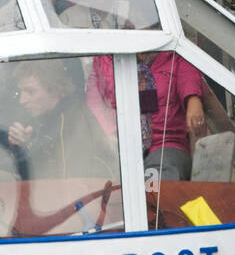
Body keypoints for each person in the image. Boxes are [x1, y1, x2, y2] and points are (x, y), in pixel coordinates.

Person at [87, 50, 207, 180]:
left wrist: (192, 98)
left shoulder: (172, 49)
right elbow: (94, 98)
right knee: (103, 187)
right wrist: (110, 130)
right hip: (121, 145)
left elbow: (188, 74)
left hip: (164, 143)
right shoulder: (105, 56)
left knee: (155, 189)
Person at [8, 62, 117, 180]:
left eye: (31, 92)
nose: (22, 100)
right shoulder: (44, 119)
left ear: (55, 90)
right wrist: (23, 146)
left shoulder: (72, 124)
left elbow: (67, 182)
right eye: (21, 92)